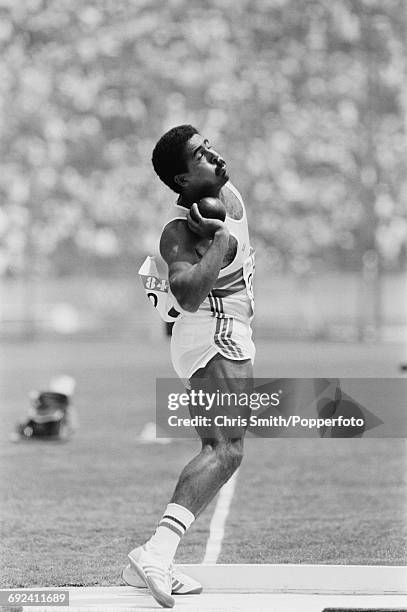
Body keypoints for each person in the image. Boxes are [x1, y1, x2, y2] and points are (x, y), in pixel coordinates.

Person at [125, 125, 255, 608]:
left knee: (221, 446)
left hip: (226, 329)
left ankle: (146, 561)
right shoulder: (178, 231)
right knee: (227, 449)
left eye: (210, 147)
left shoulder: (226, 191)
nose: (216, 157)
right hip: (213, 329)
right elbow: (186, 292)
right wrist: (219, 241)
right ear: (182, 180)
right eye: (201, 157)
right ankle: (156, 552)